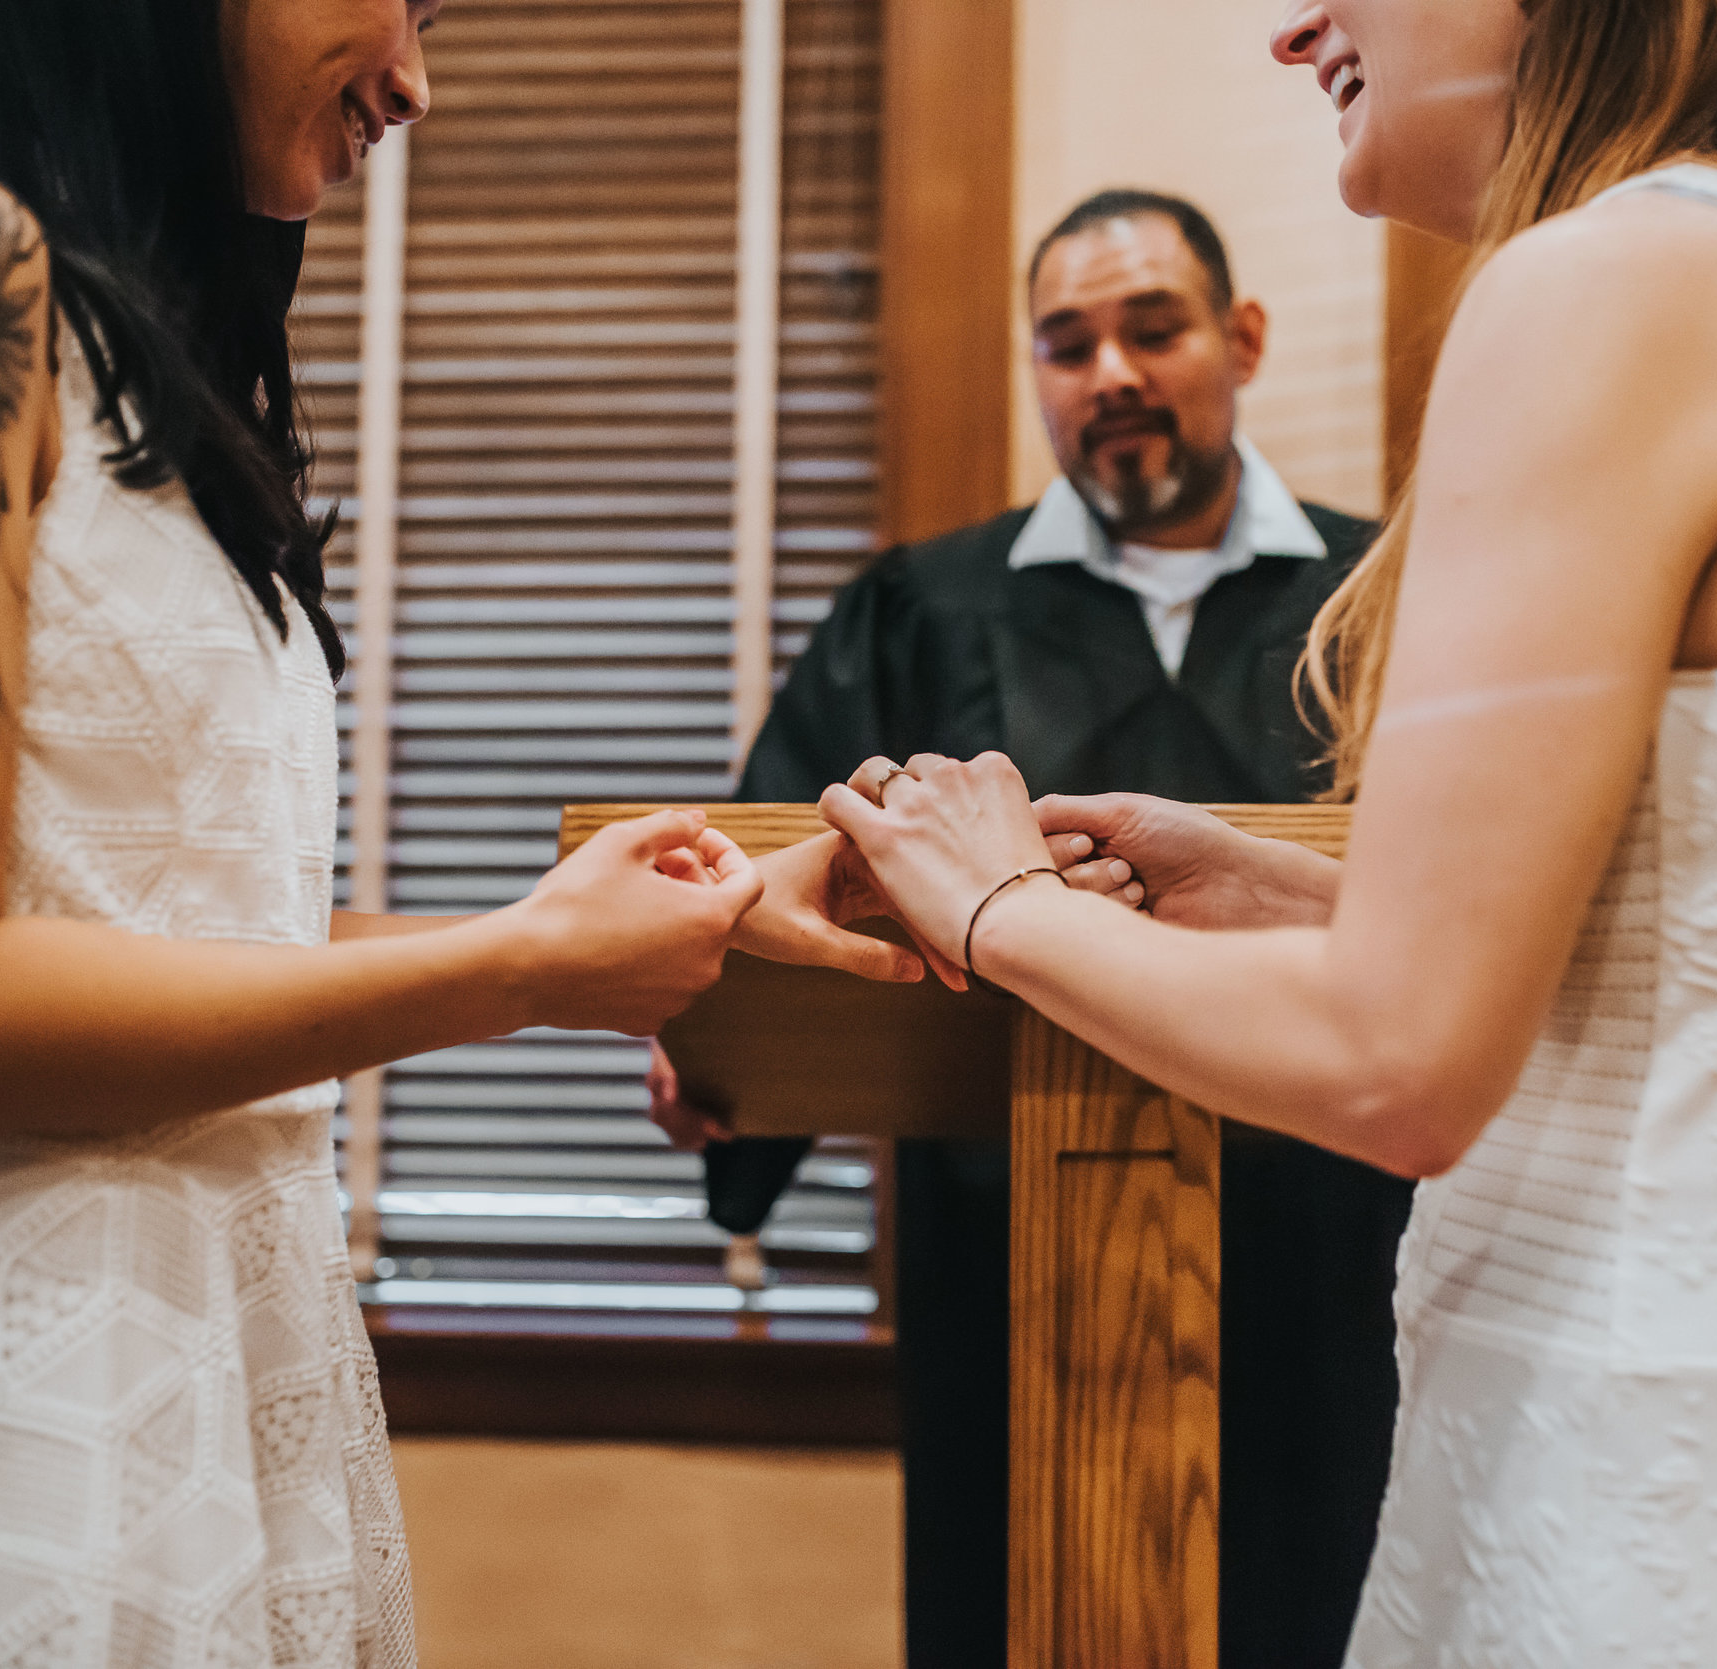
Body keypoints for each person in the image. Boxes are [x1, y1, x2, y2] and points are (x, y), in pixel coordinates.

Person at [806, 0, 1717, 1662]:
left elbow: (1400, 1062)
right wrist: (1286, 893)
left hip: (1625, 1489)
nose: (1297, 27)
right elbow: (1677, 922)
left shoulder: (1602, 284)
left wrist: (1004, 908)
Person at [0, 0, 902, 1660]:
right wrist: (521, 970)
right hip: (13, 1400)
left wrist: (676, 914)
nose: (415, 78)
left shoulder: (144, 366)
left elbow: (161, 936)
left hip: (244, 1369)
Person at [654, 190, 1416, 1667]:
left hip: (1339, 1268)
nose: (1111, 373)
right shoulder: (923, 609)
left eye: (1153, 328)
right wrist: (723, 1070)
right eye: (1067, 345)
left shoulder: (1387, 598)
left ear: (1240, 340)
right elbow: (773, 888)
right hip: (1010, 1279)